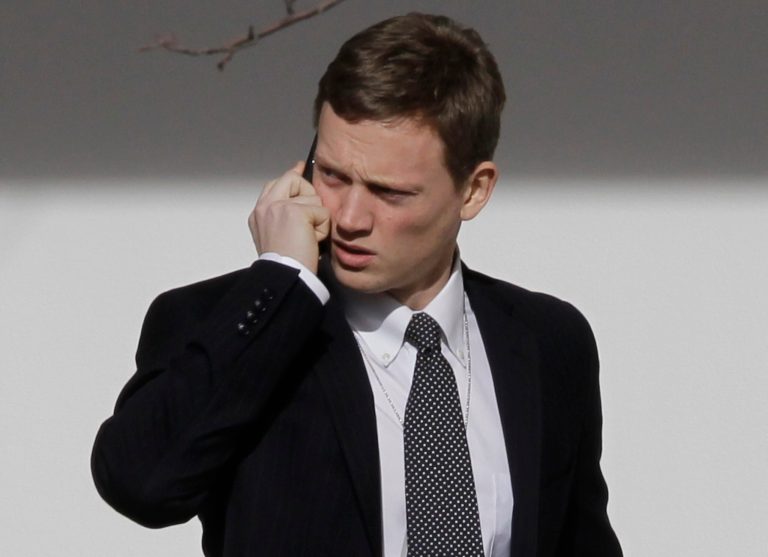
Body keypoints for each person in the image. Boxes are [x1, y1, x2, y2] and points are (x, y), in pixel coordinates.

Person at [92, 12, 622, 557]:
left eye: (389, 193)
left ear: (474, 191)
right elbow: (140, 486)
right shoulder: (230, 322)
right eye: (332, 174)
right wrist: (280, 280)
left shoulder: (549, 342)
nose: (347, 217)